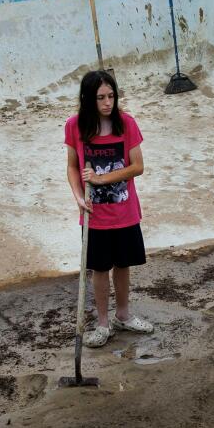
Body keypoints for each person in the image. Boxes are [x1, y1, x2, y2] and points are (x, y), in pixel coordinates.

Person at [64, 68, 151, 347]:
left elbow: (137, 167)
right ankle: (103, 324)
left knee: (123, 265)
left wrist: (102, 178)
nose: (107, 103)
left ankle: (123, 316)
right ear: (88, 99)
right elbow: (73, 166)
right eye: (101, 97)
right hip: (94, 216)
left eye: (111, 96)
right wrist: (79, 198)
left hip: (124, 212)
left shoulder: (126, 124)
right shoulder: (75, 126)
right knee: (99, 269)